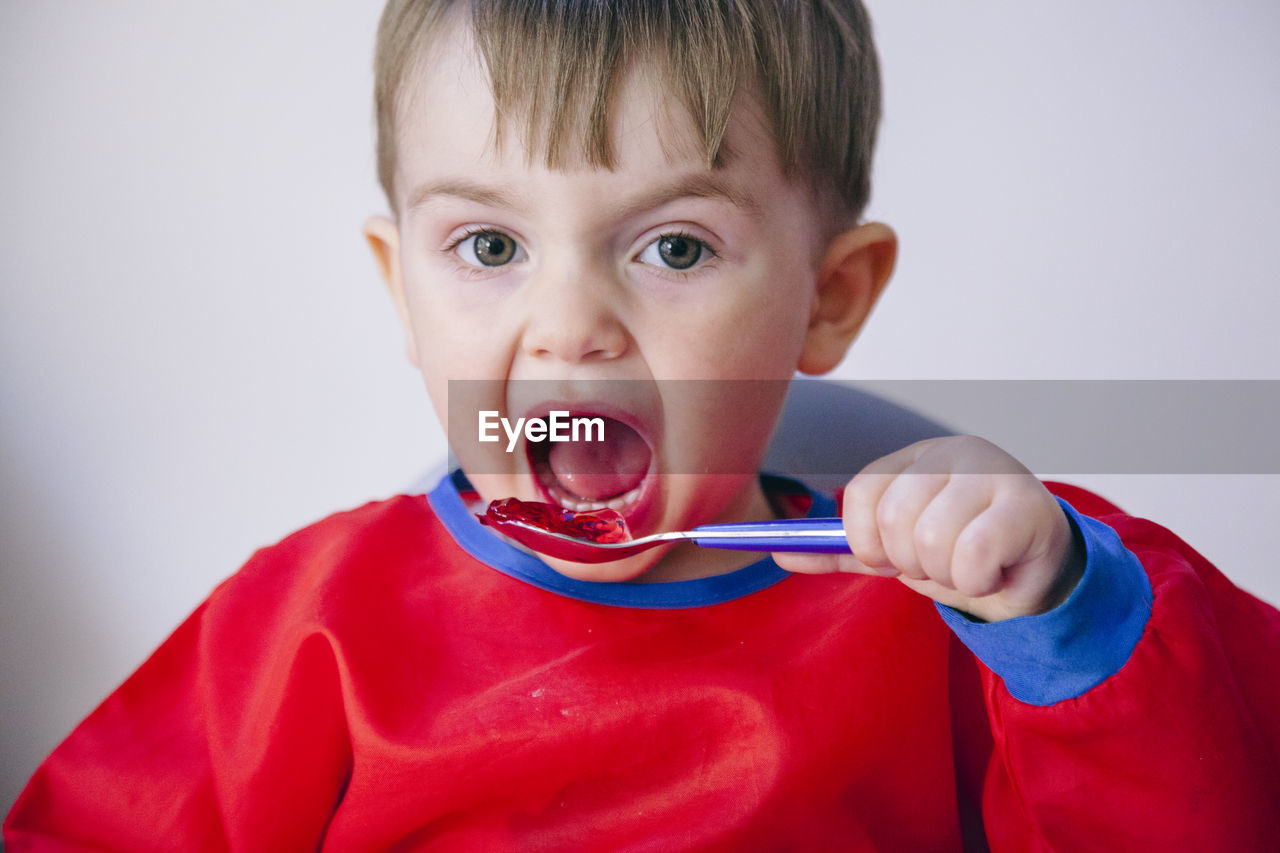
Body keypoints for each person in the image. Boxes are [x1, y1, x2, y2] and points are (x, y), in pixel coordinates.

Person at [6, 0, 1279, 849]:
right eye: (490, 244)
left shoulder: (961, 612)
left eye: (673, 245)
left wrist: (1062, 604)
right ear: (401, 288)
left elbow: (1216, 802)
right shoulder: (310, 629)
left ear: (827, 301)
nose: (570, 324)